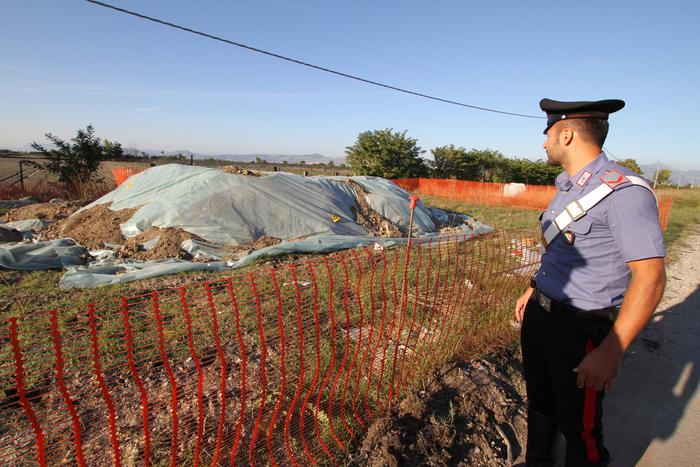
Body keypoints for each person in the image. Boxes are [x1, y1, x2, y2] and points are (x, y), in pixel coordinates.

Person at [513, 98, 666, 466]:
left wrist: (612, 350)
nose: (543, 142)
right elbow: (562, 253)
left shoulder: (623, 192)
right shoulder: (568, 186)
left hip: (580, 328)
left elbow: (651, 278)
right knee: (541, 404)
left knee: (580, 430)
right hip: (542, 316)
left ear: (566, 134)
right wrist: (533, 288)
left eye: (547, 133)